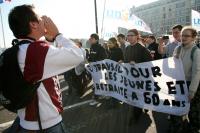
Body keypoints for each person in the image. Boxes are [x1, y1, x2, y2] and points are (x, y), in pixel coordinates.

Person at [8, 4, 84, 132]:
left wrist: (49, 40)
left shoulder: (20, 49)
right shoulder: (35, 51)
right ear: (33, 24)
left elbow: (42, 65)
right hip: (45, 125)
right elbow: (78, 55)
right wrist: (57, 35)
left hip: (27, 121)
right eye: (40, 18)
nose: (44, 20)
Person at [171, 26, 200, 133]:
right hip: (178, 84)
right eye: (182, 35)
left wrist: (192, 91)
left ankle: (193, 129)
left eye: (187, 35)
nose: (183, 37)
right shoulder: (177, 49)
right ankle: (176, 128)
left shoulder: (196, 51)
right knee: (176, 109)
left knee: (193, 112)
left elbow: (197, 72)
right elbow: (173, 66)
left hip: (191, 84)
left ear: (193, 37)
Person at [124, 29, 152, 125]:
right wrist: (122, 63)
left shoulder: (143, 49)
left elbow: (149, 65)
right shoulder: (127, 49)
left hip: (140, 79)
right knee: (132, 98)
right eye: (128, 35)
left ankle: (136, 116)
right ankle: (135, 114)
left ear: (137, 36)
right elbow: (126, 62)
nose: (129, 37)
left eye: (131, 35)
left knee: (138, 98)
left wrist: (137, 64)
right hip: (130, 78)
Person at [88, 33, 107, 106]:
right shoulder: (92, 46)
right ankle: (101, 94)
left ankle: (96, 99)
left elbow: (104, 58)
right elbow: (91, 56)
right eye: (90, 38)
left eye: (92, 38)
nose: (90, 39)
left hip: (99, 69)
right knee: (97, 83)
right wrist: (89, 60)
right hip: (93, 69)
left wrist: (95, 62)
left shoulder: (101, 48)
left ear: (96, 40)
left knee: (97, 83)